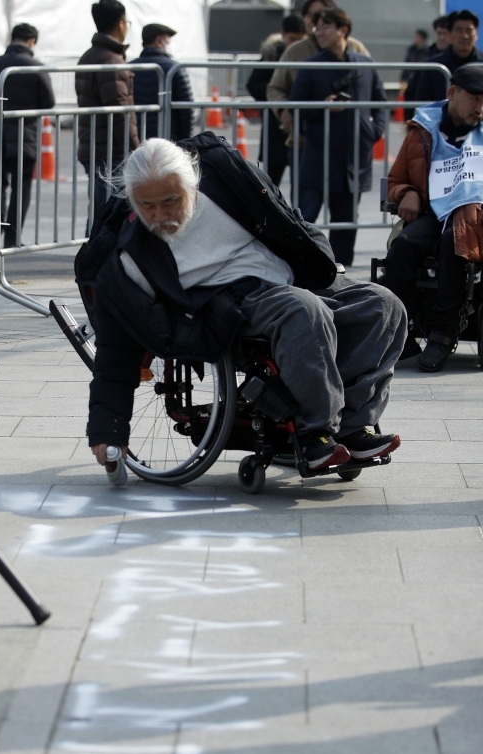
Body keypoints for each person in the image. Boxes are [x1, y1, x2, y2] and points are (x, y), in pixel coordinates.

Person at [83, 136, 405, 481]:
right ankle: (315, 433)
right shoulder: (133, 257)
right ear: (133, 202)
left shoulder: (229, 183)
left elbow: (287, 220)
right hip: (229, 306)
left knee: (384, 304)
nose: (160, 216)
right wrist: (108, 427)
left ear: (192, 185)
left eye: (171, 201)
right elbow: (117, 348)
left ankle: (354, 425)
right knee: (302, 309)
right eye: (147, 206)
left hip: (288, 279)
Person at [384, 64, 483, 373]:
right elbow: (394, 181)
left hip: (475, 214)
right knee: (404, 246)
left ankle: (443, 332)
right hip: (433, 210)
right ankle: (402, 331)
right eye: (474, 99)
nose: (480, 108)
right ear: (452, 93)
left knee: (454, 242)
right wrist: (407, 192)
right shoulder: (422, 129)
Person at [290, 8, 386, 268]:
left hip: (354, 156)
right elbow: (294, 106)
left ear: (343, 30)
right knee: (304, 217)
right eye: (317, 28)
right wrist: (323, 106)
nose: (319, 33)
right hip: (318, 155)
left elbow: (380, 103)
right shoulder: (311, 67)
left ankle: (342, 271)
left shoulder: (365, 65)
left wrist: (375, 130)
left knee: (346, 220)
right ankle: (301, 266)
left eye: (325, 28)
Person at [0, 23, 55, 249]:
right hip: (25, 133)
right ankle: (12, 238)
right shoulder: (36, 66)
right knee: (22, 186)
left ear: (12, 38)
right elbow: (48, 102)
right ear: (32, 42)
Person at [266, 0, 369, 141]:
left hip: (350, 137)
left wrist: (373, 129)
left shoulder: (355, 48)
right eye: (309, 15)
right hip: (306, 137)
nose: (315, 19)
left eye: (323, 14)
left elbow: (372, 84)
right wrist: (283, 110)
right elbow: (275, 88)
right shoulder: (295, 51)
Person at [76, 0, 139, 225]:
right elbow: (120, 111)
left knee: (100, 210)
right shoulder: (111, 60)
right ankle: (98, 258)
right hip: (111, 150)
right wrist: (135, 149)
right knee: (110, 214)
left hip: (95, 145)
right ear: (120, 24)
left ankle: (94, 255)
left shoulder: (90, 55)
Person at [246, 14, 306, 187]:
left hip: (301, 129)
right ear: (283, 35)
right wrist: (277, 95)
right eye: (291, 39)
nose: (295, 44)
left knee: (301, 185)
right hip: (275, 125)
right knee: (269, 186)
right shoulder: (272, 56)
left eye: (300, 39)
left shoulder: (308, 55)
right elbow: (254, 84)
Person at [129, 23, 193, 143]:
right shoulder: (175, 68)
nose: (170, 46)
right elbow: (186, 109)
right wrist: (186, 140)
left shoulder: (128, 67)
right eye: (168, 42)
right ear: (159, 41)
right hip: (168, 139)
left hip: (135, 140)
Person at [416, 10, 483, 104]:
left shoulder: (481, 63)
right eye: (459, 30)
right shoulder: (433, 67)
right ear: (450, 34)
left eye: (469, 30)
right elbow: (422, 103)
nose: (464, 36)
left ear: (476, 34)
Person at [404, 17, 451, 120]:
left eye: (446, 33)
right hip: (429, 120)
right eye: (439, 34)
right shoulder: (426, 60)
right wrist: (409, 121)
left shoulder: (460, 61)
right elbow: (411, 93)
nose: (442, 38)